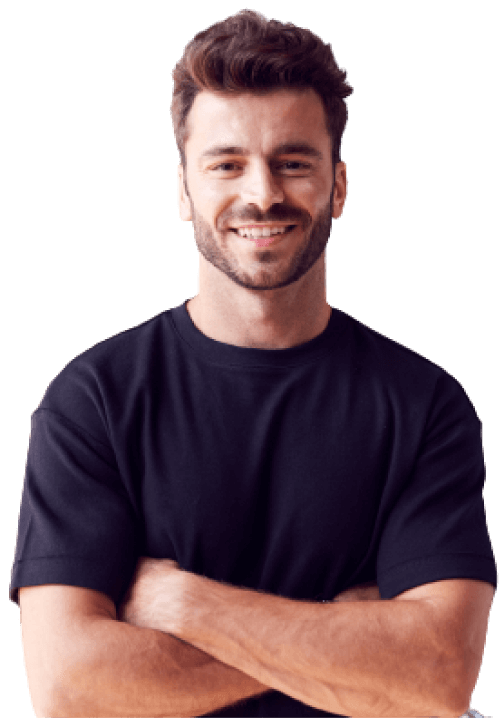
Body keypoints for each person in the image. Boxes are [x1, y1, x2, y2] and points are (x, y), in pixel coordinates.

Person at [11, 9, 497, 718]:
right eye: (227, 164)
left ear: (338, 186)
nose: (262, 194)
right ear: (185, 191)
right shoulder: (94, 401)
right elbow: (69, 685)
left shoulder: (424, 404)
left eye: (293, 163)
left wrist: (184, 602)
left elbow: (437, 675)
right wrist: (344, 641)